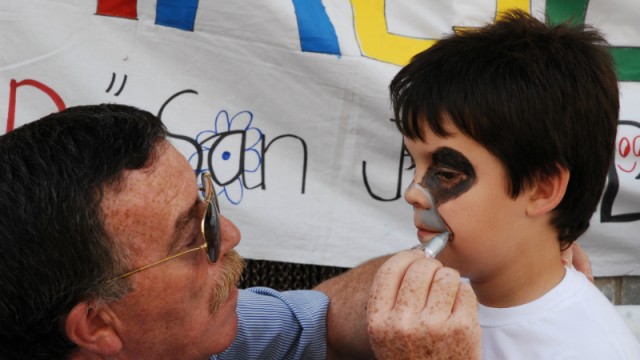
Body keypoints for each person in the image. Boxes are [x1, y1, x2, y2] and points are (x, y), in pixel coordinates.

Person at [0, 103, 480, 360]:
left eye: (207, 204)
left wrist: (440, 271)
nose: (228, 234)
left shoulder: (180, 335)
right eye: (193, 237)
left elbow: (319, 323)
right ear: (97, 326)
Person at [367, 10, 640, 359]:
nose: (412, 193)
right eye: (413, 163)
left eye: (447, 174)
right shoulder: (435, 299)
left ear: (541, 188)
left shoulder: (589, 348)